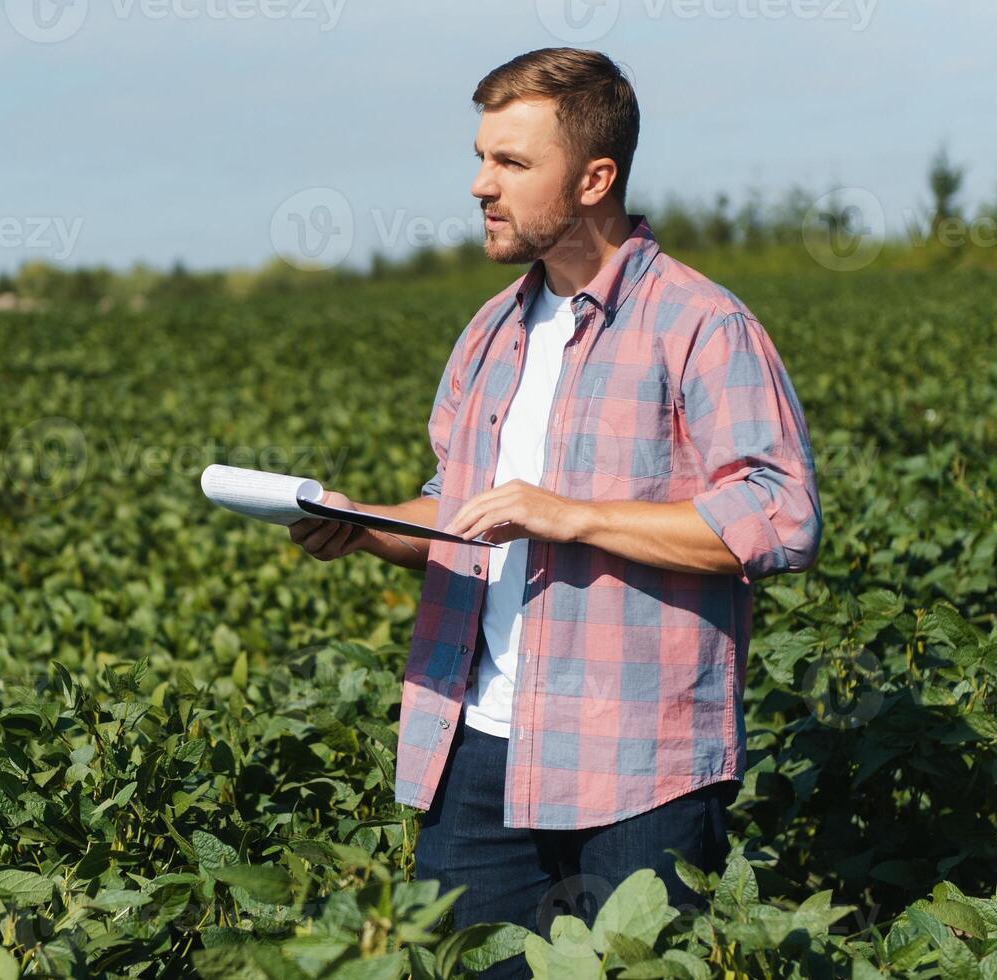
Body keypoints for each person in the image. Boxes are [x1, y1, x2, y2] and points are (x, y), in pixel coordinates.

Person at [288, 46, 822, 978]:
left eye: (511, 164)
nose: (479, 186)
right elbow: (461, 512)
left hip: (639, 767)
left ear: (594, 179)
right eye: (482, 157)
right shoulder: (491, 330)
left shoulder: (700, 325)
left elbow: (778, 518)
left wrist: (570, 517)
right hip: (477, 753)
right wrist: (366, 523)